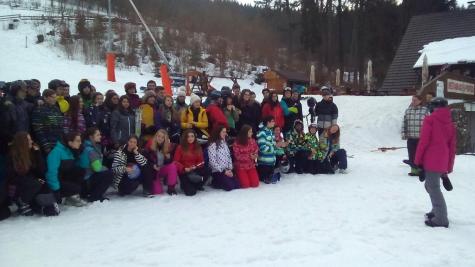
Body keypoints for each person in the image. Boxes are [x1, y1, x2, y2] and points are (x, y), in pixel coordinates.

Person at [415, 97, 456, 228]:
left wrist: (417, 160)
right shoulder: (450, 122)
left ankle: (441, 219)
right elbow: (452, 147)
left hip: (431, 159)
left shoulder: (430, 120)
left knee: (433, 188)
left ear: (435, 107)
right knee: (429, 186)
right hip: (442, 158)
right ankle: (436, 211)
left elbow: (424, 142)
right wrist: (448, 166)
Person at [6, 132, 59, 216]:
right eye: (28, 140)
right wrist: (33, 179)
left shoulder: (32, 152)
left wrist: (38, 153)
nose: (31, 141)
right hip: (18, 186)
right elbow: (12, 176)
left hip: (33, 182)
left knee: (43, 183)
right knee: (36, 183)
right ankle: (22, 202)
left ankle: (47, 204)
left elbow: (42, 171)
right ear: (22, 142)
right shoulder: (12, 156)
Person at [46, 132, 88, 207]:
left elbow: (79, 167)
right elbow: (51, 173)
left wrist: (79, 152)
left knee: (80, 171)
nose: (80, 143)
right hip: (56, 184)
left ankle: (72, 196)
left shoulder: (69, 150)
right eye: (78, 141)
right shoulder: (56, 152)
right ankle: (68, 196)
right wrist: (56, 190)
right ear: (70, 142)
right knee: (77, 188)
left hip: (64, 179)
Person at [78, 128, 113, 202]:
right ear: (91, 137)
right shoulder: (90, 150)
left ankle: (91, 193)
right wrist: (107, 169)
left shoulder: (86, 146)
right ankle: (95, 196)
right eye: (98, 135)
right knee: (109, 174)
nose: (100, 136)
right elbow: (97, 168)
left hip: (83, 180)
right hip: (86, 181)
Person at [173, 129, 208, 196]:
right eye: (188, 136)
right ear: (185, 138)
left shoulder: (198, 147)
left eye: (192, 136)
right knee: (191, 193)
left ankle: (197, 184)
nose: (190, 138)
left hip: (195, 169)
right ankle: (188, 184)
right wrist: (184, 168)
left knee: (208, 169)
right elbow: (175, 161)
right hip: (184, 172)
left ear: (195, 137)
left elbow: (201, 161)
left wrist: (195, 166)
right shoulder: (180, 147)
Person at [401, 95, 429, 176]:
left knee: (421, 155)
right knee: (412, 154)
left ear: (420, 101)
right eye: (412, 100)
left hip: (421, 138)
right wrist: (404, 133)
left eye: (415, 100)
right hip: (411, 137)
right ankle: (414, 170)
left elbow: (429, 124)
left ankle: (422, 170)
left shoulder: (425, 111)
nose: (413, 102)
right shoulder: (408, 110)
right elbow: (404, 123)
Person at [144, 130, 178, 195]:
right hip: (154, 171)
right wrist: (153, 165)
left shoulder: (169, 146)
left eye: (162, 137)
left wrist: (169, 158)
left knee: (173, 166)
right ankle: (155, 182)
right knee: (158, 192)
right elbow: (144, 160)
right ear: (156, 136)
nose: (160, 138)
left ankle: (171, 188)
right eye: (159, 136)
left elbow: (170, 161)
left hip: (162, 169)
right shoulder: (150, 145)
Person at [31, 89, 64, 154]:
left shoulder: (56, 109)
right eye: (52, 97)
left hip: (58, 144)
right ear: (45, 98)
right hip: (47, 144)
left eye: (55, 97)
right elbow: (38, 130)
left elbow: (61, 127)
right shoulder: (39, 110)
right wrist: (46, 146)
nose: (55, 99)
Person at [208, 125, 240, 191]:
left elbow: (229, 157)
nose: (225, 134)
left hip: (227, 170)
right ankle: (215, 182)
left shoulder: (224, 143)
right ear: (218, 132)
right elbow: (212, 162)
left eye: (225, 132)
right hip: (218, 171)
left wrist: (230, 169)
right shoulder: (213, 145)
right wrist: (224, 171)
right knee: (229, 186)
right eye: (223, 132)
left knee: (237, 185)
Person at [257, 116, 277, 183]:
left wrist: (279, 145)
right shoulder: (262, 132)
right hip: (264, 163)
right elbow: (262, 148)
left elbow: (273, 144)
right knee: (265, 181)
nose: (274, 123)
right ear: (268, 122)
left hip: (271, 162)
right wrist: (273, 147)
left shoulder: (271, 132)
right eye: (272, 121)